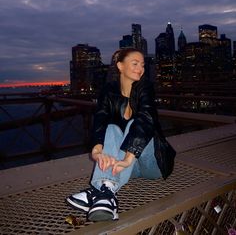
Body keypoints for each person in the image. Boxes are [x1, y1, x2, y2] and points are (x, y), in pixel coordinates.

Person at [66, 47, 175, 222]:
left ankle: (99, 194)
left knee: (134, 122)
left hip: (152, 164)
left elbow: (146, 120)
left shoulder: (145, 87)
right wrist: (96, 149)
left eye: (142, 64)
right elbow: (101, 119)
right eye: (135, 63)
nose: (141, 68)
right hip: (124, 169)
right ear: (120, 66)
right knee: (111, 128)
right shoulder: (109, 90)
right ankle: (106, 191)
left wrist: (128, 158)